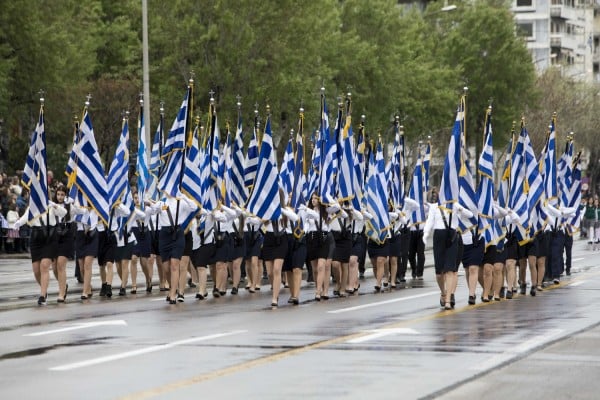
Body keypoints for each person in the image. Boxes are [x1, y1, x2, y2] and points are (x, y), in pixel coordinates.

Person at [146, 192, 198, 304]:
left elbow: (194, 207)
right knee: (166, 268)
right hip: (164, 235)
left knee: (175, 264)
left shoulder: (181, 202)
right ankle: (171, 287)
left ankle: (174, 293)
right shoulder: (162, 202)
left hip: (177, 234)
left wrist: (184, 196)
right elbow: (153, 210)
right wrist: (148, 202)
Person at [14, 201, 67, 305]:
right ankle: (44, 289)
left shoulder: (50, 206)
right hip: (36, 237)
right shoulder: (32, 206)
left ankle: (42, 295)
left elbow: (64, 213)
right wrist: (18, 223)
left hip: (49, 237)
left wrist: (54, 206)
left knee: (44, 266)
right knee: (36, 270)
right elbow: (26, 217)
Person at [422, 202, 472, 309]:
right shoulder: (435, 206)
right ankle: (443, 292)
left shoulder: (455, 204)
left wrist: (460, 209)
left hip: (452, 236)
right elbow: (430, 221)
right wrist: (426, 233)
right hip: (439, 237)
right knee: (439, 273)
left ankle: (448, 300)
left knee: (450, 269)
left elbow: (470, 215)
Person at [52, 185, 74, 302]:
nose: (60, 197)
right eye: (58, 194)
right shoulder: (52, 206)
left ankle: (61, 293)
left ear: (66, 195)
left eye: (62, 194)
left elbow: (82, 210)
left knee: (61, 264)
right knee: (54, 267)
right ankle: (63, 284)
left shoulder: (70, 206)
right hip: (55, 236)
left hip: (66, 236)